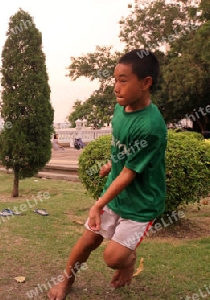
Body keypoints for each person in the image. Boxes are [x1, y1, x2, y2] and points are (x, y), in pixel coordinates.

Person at [48, 49, 167, 300]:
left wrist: (98, 204)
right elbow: (122, 150)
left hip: (142, 204)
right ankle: (65, 282)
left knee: (112, 258)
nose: (116, 87)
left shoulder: (151, 126)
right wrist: (111, 165)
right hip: (117, 192)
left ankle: (128, 259)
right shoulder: (120, 109)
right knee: (88, 240)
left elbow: (129, 174)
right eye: (115, 80)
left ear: (146, 83)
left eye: (123, 80)